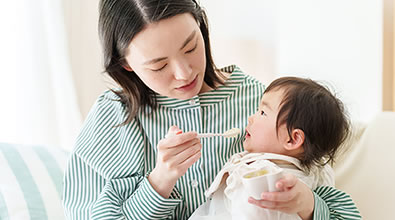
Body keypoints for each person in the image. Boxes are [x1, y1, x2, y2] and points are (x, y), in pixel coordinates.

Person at [62, 0, 361, 219]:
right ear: (126, 64)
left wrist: (306, 205)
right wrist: (160, 181)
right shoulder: (112, 118)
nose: (184, 73)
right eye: (160, 65)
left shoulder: (264, 106)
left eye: (191, 47)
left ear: (202, 28)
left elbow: (331, 201)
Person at [189, 77, 359, 220]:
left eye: (262, 113)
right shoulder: (320, 171)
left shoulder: (261, 178)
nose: (250, 118)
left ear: (292, 139)